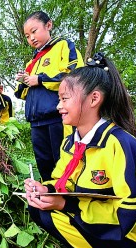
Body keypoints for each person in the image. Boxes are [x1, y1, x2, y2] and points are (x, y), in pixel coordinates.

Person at [23, 53, 136, 248]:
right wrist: (45, 190)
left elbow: (131, 215)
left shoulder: (120, 144)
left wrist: (68, 205)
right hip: (97, 220)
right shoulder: (71, 141)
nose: (58, 106)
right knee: (39, 208)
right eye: (59, 99)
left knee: (56, 211)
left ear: (94, 98)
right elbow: (61, 180)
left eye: (64, 99)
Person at [14, 11, 84, 181]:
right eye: (27, 35)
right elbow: (19, 93)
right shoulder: (31, 62)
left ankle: (67, 203)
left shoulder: (63, 46)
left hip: (58, 117)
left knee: (64, 162)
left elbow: (75, 74)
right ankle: (47, 201)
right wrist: (24, 80)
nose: (31, 38)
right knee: (44, 165)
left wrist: (40, 79)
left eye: (34, 31)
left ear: (48, 25)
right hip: (36, 121)